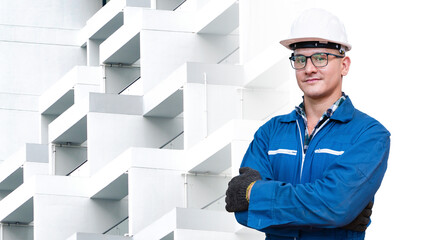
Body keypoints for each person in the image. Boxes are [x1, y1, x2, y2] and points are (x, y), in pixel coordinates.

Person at [225, 8, 390, 240]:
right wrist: (332, 216)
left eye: (321, 58)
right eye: (300, 59)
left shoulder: (369, 135)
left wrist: (256, 194)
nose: (309, 68)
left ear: (344, 65)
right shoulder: (269, 133)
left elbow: (335, 206)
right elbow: (242, 211)